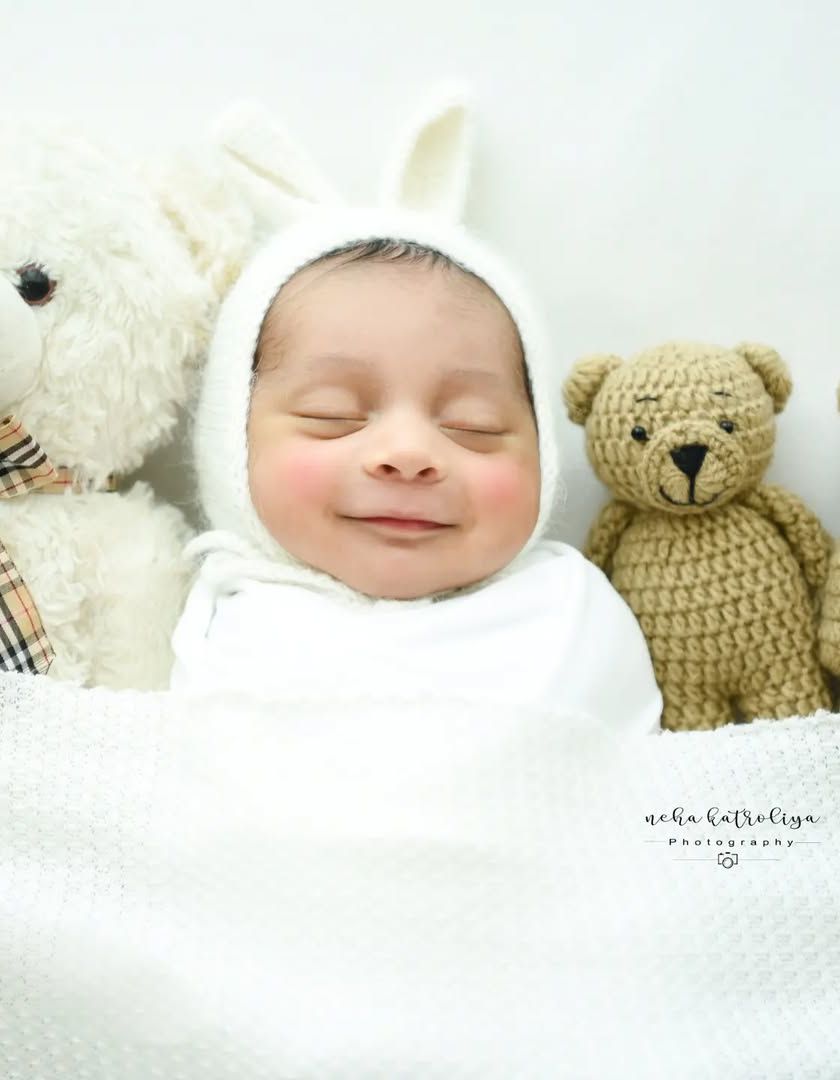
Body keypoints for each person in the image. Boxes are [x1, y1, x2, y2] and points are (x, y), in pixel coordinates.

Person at [168, 206, 661, 733]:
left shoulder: (570, 612)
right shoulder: (227, 623)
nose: (408, 453)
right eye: (332, 415)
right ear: (232, 440)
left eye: (473, 425)